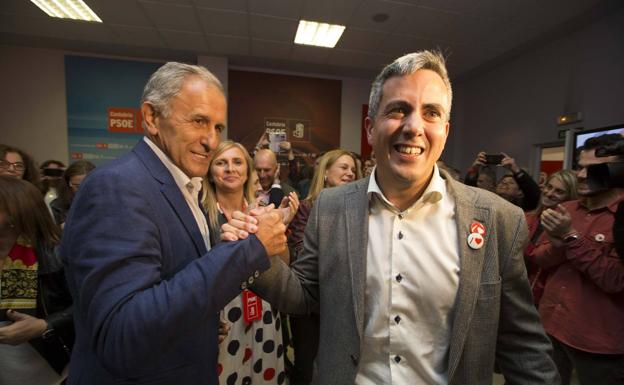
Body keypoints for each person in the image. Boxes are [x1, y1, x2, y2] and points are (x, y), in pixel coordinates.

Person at [225, 51, 559, 384]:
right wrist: (258, 254)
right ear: (370, 129)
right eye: (398, 110)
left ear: (444, 130)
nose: (414, 127)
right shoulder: (330, 208)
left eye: (430, 113)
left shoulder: (498, 220)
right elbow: (305, 296)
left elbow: (522, 346)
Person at [61, 62, 287, 385]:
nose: (211, 141)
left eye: (218, 128)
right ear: (152, 118)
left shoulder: (184, 187)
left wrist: (203, 324)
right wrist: (248, 250)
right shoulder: (117, 187)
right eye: (198, 121)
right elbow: (122, 333)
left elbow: (171, 288)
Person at [533, 134, 624, 385]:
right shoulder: (568, 208)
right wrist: (558, 246)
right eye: (580, 167)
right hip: (551, 326)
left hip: (597, 343)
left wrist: (571, 238)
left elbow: (615, 280)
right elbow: (540, 258)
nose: (581, 176)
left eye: (593, 170)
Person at [202, 141, 295, 385]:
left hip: (263, 311)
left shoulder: (262, 210)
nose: (230, 169)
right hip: (224, 318)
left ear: (248, 171)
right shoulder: (202, 215)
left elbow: (283, 266)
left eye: (237, 162)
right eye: (221, 163)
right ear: (211, 171)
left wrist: (280, 230)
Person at [286, 149, 359, 385]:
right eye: (343, 167)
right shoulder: (307, 208)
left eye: (353, 169)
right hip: (311, 307)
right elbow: (301, 253)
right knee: (307, 369)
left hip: (343, 308)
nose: (350, 173)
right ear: (326, 172)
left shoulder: (360, 212)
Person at [0, 176, 74, 385]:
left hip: (49, 369)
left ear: (15, 212)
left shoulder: (56, 255)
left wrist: (44, 325)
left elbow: (87, 307)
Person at [523, 170, 578, 305]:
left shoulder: (568, 228)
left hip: (544, 296)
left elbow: (545, 259)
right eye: (549, 187)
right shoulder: (526, 217)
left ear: (569, 197)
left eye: (559, 191)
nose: (549, 193)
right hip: (516, 291)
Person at [49, 160, 96, 226]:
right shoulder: (57, 206)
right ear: (68, 184)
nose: (81, 190)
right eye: (77, 186)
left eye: (86, 186)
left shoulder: (104, 203)